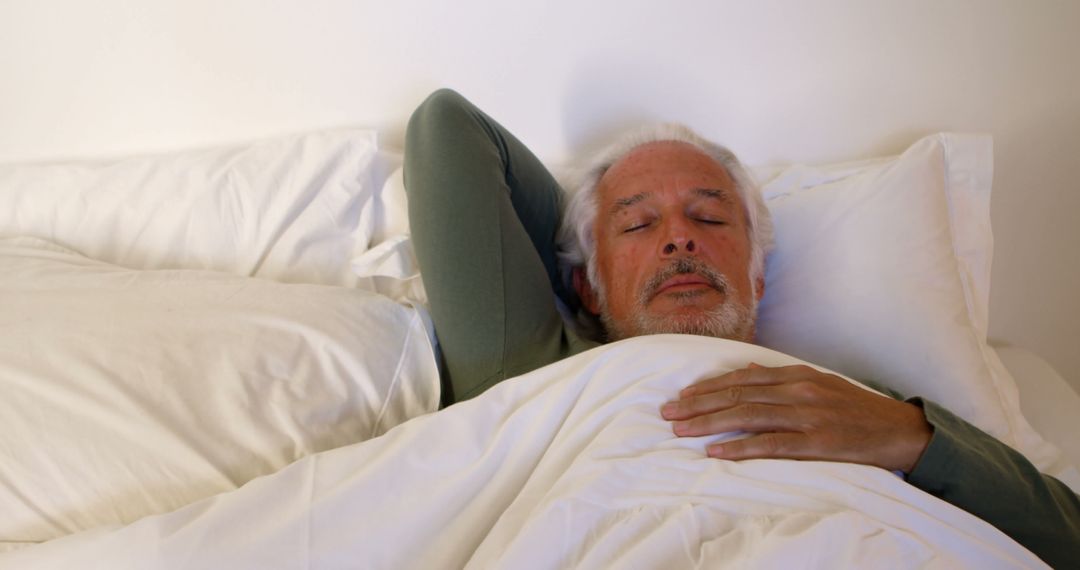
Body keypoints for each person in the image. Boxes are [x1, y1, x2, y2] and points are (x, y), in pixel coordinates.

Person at [403, 88, 1079, 567]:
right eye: (640, 225)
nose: (679, 242)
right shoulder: (534, 367)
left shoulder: (858, 401)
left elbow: (1067, 537)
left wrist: (913, 437)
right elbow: (447, 126)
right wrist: (582, 253)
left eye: (710, 218)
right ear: (586, 287)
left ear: (758, 275)